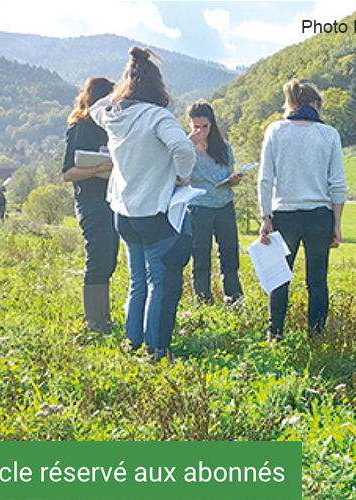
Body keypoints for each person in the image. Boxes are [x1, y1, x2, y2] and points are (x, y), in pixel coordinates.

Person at [91, 46, 196, 360]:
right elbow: (184, 149)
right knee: (160, 283)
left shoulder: (111, 114)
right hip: (154, 212)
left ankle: (132, 342)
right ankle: (157, 349)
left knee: (137, 281)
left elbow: (96, 104)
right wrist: (182, 178)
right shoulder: (157, 117)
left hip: (123, 212)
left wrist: (122, 87)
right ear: (158, 85)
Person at [258, 79, 347, 342]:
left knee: (280, 278)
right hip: (320, 215)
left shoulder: (275, 130)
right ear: (316, 104)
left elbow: (265, 179)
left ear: (290, 104)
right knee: (317, 281)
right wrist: (337, 223)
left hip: (285, 215)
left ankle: (275, 334)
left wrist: (266, 217)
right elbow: (338, 184)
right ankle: (316, 335)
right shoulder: (328, 134)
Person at [62, 77, 119, 334]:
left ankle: (103, 317)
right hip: (90, 200)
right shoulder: (79, 128)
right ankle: (95, 322)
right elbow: (67, 172)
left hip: (113, 200)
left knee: (109, 257)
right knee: (98, 255)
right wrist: (100, 168)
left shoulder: (114, 128)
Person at [187, 101, 243, 304]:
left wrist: (234, 179)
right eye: (196, 126)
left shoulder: (224, 147)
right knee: (200, 255)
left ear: (212, 125)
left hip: (224, 205)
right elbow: (179, 175)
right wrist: (189, 145)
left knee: (229, 253)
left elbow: (229, 174)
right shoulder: (186, 148)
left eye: (205, 126)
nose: (200, 131)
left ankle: (234, 298)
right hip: (199, 207)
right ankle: (203, 300)